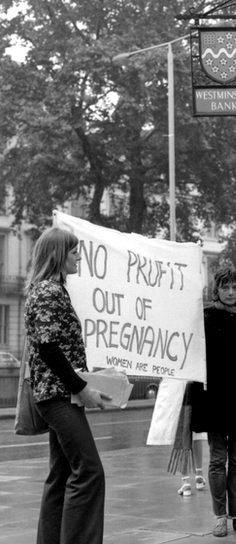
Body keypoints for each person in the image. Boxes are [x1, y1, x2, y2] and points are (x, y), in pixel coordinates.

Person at [25, 227, 111, 544]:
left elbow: (59, 347)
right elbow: (48, 349)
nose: (78, 256)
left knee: (60, 476)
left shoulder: (52, 290)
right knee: (89, 472)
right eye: (74, 251)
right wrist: (82, 387)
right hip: (57, 397)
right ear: (59, 254)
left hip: (59, 393)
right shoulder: (47, 292)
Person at [189, 267, 236, 537]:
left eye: (235, 287)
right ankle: (220, 516)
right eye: (225, 287)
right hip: (215, 400)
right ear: (217, 289)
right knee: (217, 459)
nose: (231, 292)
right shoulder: (205, 318)